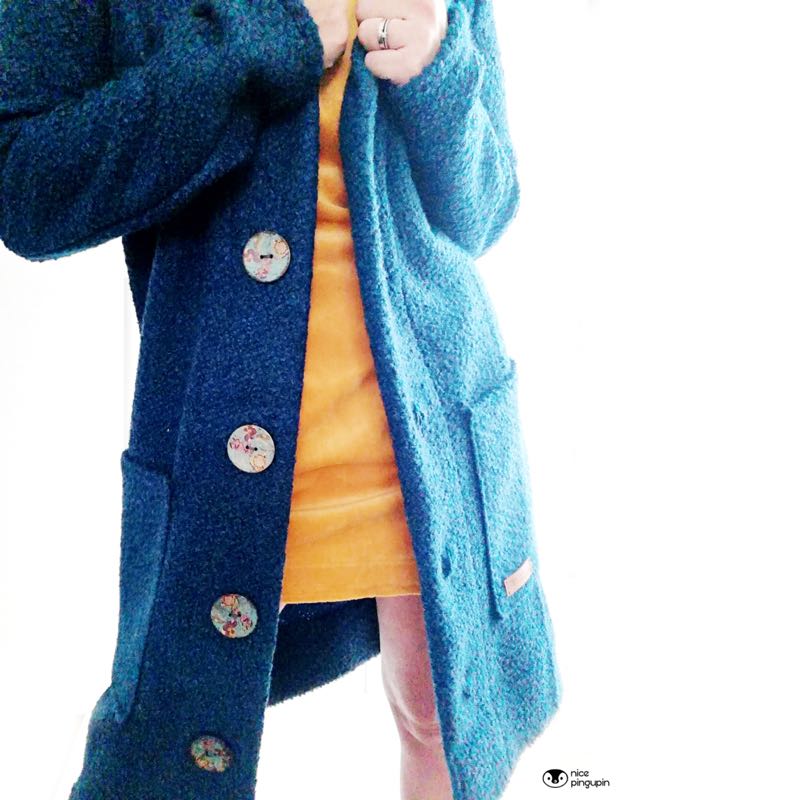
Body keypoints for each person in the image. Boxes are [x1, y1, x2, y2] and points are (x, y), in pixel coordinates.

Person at [0, 1, 562, 798]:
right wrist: (260, 46)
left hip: (428, 440)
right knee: (167, 766)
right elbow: (27, 186)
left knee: (444, 726)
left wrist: (438, 70)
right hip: (219, 455)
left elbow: (483, 209)